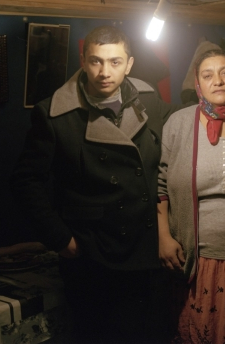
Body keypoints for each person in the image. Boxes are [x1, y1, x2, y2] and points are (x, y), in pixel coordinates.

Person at [10, 25, 176, 343]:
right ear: (84, 61)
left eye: (115, 62)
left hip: (146, 249)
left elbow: (183, 123)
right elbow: (25, 180)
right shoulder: (55, 113)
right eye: (96, 61)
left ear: (129, 64)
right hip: (94, 254)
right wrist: (60, 238)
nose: (104, 72)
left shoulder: (149, 99)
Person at [157, 48, 225, 344]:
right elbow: (160, 184)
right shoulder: (178, 124)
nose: (217, 80)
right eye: (208, 75)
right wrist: (164, 237)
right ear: (198, 84)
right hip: (196, 260)